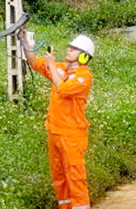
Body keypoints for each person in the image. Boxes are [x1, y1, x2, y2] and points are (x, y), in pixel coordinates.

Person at [17, 30, 95, 209]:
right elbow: (35, 63)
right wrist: (25, 42)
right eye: (69, 46)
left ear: (83, 56)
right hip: (54, 131)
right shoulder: (59, 68)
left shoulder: (84, 77)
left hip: (72, 136)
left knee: (75, 178)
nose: (69, 49)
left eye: (74, 49)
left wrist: (51, 65)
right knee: (59, 178)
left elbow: (63, 89)